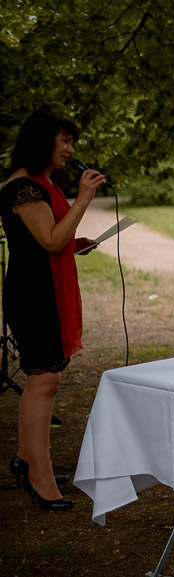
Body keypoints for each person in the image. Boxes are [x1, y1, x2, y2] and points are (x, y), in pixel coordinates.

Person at [1, 112, 106, 511]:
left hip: (43, 290)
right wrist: (83, 200)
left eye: (71, 142)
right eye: (64, 141)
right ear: (42, 142)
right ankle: (38, 477)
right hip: (32, 295)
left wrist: (74, 242)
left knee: (46, 381)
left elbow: (51, 239)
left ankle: (26, 459)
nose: (70, 150)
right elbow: (47, 241)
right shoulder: (24, 187)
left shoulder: (43, 184)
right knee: (42, 382)